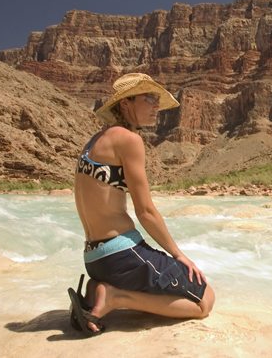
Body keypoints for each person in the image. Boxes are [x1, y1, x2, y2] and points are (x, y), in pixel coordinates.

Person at [68, 73, 215, 337]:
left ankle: (96, 289)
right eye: (149, 98)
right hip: (120, 256)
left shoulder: (93, 141)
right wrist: (179, 255)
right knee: (204, 301)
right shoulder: (128, 140)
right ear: (126, 103)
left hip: (93, 258)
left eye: (157, 99)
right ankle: (114, 298)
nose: (156, 105)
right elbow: (145, 212)